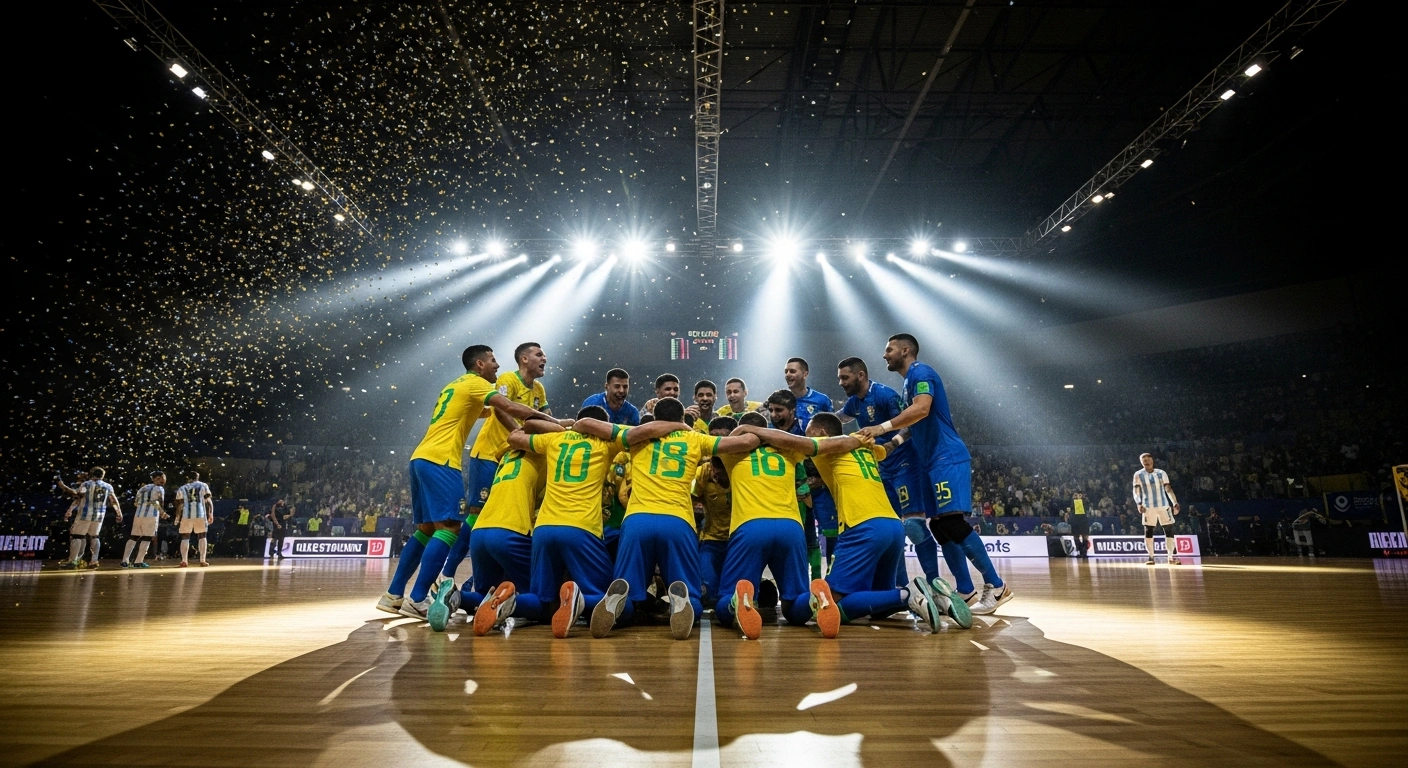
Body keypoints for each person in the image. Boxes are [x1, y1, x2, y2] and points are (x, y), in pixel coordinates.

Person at [376, 345, 555, 619]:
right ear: (480, 364)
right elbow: (506, 407)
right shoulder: (475, 383)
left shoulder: (457, 385)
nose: (497, 365)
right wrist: (555, 422)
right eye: (493, 360)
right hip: (442, 460)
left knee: (425, 529)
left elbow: (482, 412)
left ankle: (393, 595)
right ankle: (419, 597)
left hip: (421, 456)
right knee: (450, 528)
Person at [741, 413, 959, 637]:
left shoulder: (828, 445)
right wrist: (904, 433)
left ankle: (906, 595)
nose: (807, 436)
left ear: (822, 433)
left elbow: (792, 441)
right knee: (877, 606)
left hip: (862, 526)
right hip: (893, 526)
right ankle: (935, 598)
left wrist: (753, 428)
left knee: (830, 604)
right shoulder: (866, 447)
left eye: (810, 431)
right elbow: (889, 448)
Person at [860, 334, 1013, 614]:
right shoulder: (908, 383)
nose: (885, 355)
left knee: (953, 524)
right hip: (930, 461)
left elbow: (922, 409)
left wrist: (881, 429)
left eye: (889, 350)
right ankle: (965, 592)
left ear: (906, 350)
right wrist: (892, 445)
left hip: (947, 457)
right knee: (939, 527)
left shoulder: (921, 372)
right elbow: (913, 424)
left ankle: (997, 585)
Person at [589, 397, 757, 640]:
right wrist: (752, 428)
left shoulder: (637, 435)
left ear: (655, 418)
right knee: (693, 598)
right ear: (681, 419)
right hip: (678, 520)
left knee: (628, 600)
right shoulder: (695, 439)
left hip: (637, 519)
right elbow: (746, 441)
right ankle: (681, 602)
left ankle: (617, 603)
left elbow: (588, 424)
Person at [508, 408, 676, 637]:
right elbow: (647, 431)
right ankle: (579, 600)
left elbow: (515, 437)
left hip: (544, 528)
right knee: (622, 607)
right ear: (603, 426)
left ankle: (510, 601)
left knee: (544, 604)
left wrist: (561, 423)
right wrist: (682, 426)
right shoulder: (607, 444)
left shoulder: (555, 439)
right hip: (581, 528)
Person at [427, 423, 554, 634]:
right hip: (510, 530)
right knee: (544, 604)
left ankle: (455, 596)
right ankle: (507, 604)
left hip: (479, 530)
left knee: (485, 593)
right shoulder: (544, 456)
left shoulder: (506, 456)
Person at [444, 342, 554, 584]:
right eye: (538, 354)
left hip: (511, 459)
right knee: (477, 515)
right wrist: (520, 435)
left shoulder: (539, 390)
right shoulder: (508, 379)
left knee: (501, 518)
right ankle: (447, 575)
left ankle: (480, 580)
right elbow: (499, 410)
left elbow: (548, 418)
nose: (544, 357)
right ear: (524, 359)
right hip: (488, 455)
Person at [837, 356, 941, 584]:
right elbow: (839, 419)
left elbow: (910, 425)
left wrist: (892, 444)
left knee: (913, 525)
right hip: (879, 470)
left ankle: (935, 584)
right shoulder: (854, 402)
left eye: (845, 377)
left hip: (905, 463)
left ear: (860, 375)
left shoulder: (885, 395)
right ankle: (900, 589)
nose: (841, 383)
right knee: (892, 530)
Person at [765, 389, 823, 581]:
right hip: (777, 499)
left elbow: (821, 468)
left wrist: (809, 483)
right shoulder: (767, 435)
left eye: (779, 410)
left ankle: (815, 583)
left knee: (811, 541)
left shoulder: (806, 432)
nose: (774, 415)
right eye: (771, 410)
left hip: (806, 497)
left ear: (792, 410)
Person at [694, 416, 737, 609]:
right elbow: (690, 498)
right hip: (711, 541)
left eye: (722, 438)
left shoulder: (743, 468)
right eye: (712, 438)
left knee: (732, 593)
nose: (716, 444)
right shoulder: (703, 471)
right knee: (709, 593)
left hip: (739, 542)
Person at [58, 468, 122, 569]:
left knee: (77, 536)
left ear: (91, 474)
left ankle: (73, 561)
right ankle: (94, 561)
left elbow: (78, 497)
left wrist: (70, 510)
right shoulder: (108, 486)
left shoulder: (86, 484)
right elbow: (113, 500)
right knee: (95, 536)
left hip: (85, 514)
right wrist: (119, 512)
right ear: (102, 475)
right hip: (99, 515)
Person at [1132, 453, 1181, 565]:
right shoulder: (1138, 475)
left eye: (1148, 459)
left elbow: (1168, 488)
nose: (1146, 462)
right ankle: (1151, 557)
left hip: (1163, 506)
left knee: (1169, 529)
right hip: (1147, 507)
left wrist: (1174, 502)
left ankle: (1170, 557)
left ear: (1152, 460)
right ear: (1141, 462)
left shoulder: (1161, 473)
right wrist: (1139, 503)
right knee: (1148, 530)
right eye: (1144, 460)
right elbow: (1136, 491)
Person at [121, 471, 167, 568]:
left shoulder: (143, 488)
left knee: (134, 536)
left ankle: (125, 560)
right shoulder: (160, 489)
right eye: (161, 478)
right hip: (151, 515)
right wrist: (162, 512)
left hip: (138, 514)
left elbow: (135, 503)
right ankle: (139, 561)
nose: (163, 480)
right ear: (156, 478)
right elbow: (160, 502)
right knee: (147, 537)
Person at [174, 470, 214, 567]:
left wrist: (177, 517)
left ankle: (184, 561)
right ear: (197, 477)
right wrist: (211, 513)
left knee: (185, 537)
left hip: (186, 515)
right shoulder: (203, 485)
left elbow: (179, 504)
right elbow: (208, 501)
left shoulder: (182, 488)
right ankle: (202, 560)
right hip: (200, 514)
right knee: (202, 536)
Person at [1070, 491, 1091, 558]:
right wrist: (1074, 499)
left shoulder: (1085, 501)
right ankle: (1080, 551)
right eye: (1076, 495)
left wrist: (1080, 499)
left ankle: (1084, 552)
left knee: (1085, 536)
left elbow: (1087, 507)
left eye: (1079, 495)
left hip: (1083, 520)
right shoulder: (1072, 502)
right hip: (1075, 521)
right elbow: (1070, 508)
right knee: (1076, 536)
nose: (1077, 496)